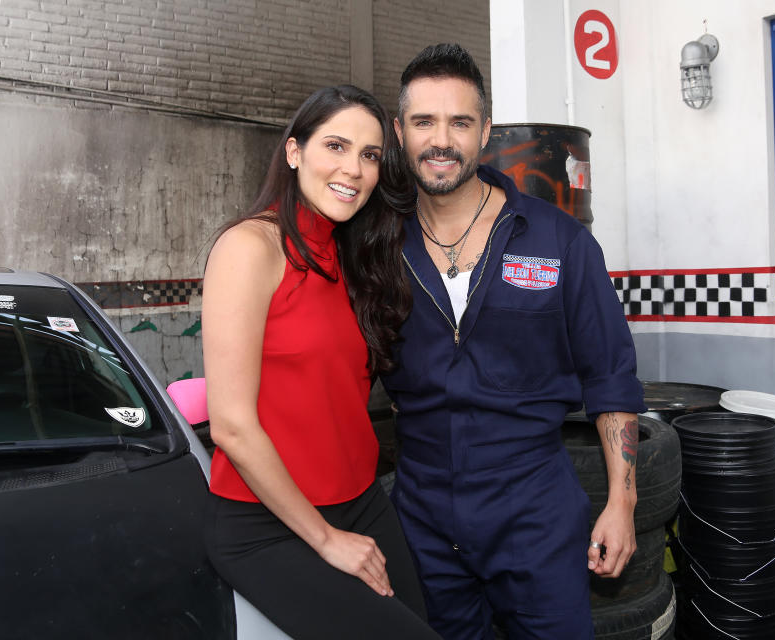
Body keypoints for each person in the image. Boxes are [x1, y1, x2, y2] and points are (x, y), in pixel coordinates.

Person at [380, 44, 647, 639]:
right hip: (421, 513)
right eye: (424, 121)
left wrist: (622, 503)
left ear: (485, 133)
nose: (440, 139)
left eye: (459, 122)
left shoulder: (559, 241)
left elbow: (611, 377)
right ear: (400, 132)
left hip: (533, 509)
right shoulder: (377, 249)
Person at [201, 85, 439, 640]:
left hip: (360, 500)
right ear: (293, 152)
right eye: (335, 146)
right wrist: (327, 540)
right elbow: (231, 426)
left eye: (369, 155)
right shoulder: (250, 247)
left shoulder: (352, 254)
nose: (352, 169)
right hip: (267, 521)